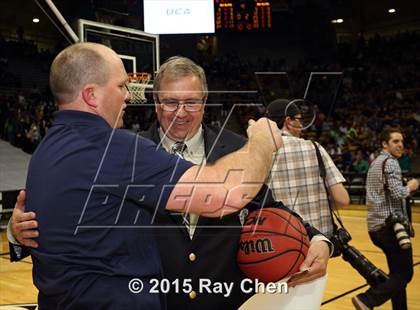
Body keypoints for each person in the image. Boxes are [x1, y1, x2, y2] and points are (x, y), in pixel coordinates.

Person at [9, 55, 330, 309]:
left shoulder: (235, 148)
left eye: (190, 102)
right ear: (155, 101)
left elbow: (270, 207)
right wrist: (19, 230)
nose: (181, 112)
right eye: (170, 102)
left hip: (225, 300)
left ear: (204, 101)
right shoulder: (126, 151)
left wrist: (317, 239)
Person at [352, 128, 419, 310]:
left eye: (402, 141)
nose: (400, 145)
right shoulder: (390, 163)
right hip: (390, 227)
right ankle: (367, 299)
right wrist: (411, 186)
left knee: (397, 275)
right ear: (384, 144)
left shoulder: (376, 162)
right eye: (395, 141)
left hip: (377, 228)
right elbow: (399, 193)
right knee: (405, 274)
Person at [266, 98, 350, 238]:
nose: (301, 124)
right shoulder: (315, 148)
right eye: (299, 120)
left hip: (278, 238)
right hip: (318, 239)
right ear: (288, 121)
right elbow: (342, 199)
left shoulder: (260, 151)